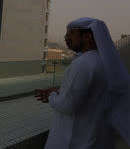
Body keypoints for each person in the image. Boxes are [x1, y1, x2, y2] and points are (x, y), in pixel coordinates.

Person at [35, 17, 129, 148]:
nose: (66, 38)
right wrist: (59, 90)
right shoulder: (104, 62)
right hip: (95, 137)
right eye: (66, 34)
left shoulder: (83, 64)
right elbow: (93, 90)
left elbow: (69, 105)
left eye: (71, 34)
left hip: (75, 140)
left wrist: (50, 96)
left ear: (87, 36)